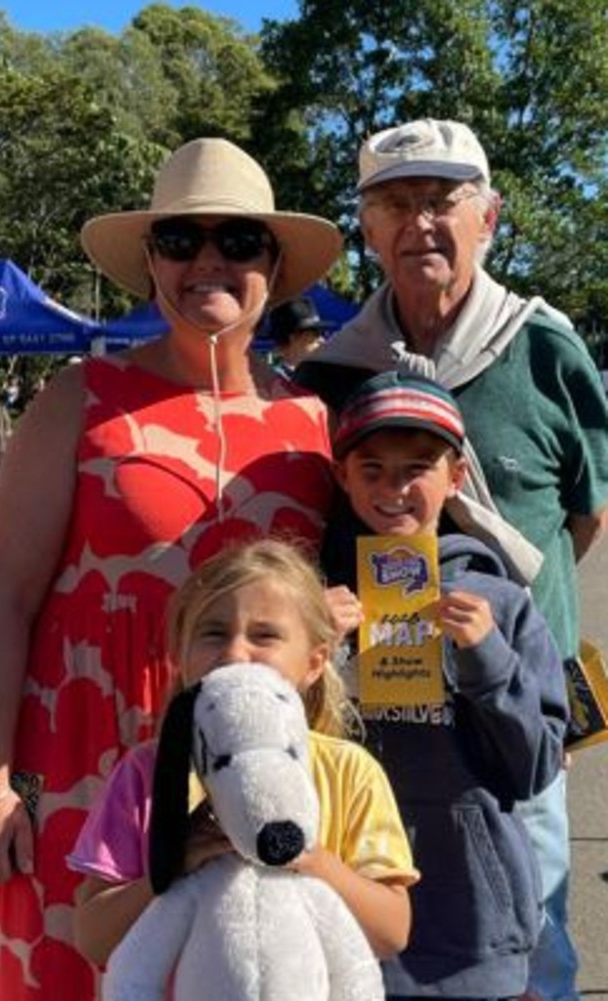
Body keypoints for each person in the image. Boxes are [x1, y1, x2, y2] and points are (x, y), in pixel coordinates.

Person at [0, 137, 344, 1001]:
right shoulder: (80, 399)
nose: (208, 259)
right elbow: (3, 603)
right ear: (151, 264)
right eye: (180, 240)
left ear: (275, 266)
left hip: (245, 775)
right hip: (77, 765)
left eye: (238, 241)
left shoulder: (315, 424)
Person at [296, 118, 608, 1001]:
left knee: (530, 949)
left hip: (512, 719)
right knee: (369, 951)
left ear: (490, 218)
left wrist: (510, 633)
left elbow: (585, 513)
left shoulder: (545, 350)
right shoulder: (330, 375)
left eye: (443, 201)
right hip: (374, 735)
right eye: (395, 203)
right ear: (366, 225)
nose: (419, 222)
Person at [321, 371, 569, 1000]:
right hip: (351, 910)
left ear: (455, 477)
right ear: (342, 476)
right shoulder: (315, 600)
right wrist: (312, 649)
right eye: (372, 468)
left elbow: (535, 766)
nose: (394, 488)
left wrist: (488, 659)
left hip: (472, 923)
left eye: (417, 468)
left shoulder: (503, 603)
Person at [67, 537, 418, 979]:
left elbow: (391, 933)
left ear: (314, 662)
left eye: (264, 635)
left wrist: (311, 858)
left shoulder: (350, 771)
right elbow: (93, 938)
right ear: (181, 655)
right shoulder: (146, 773)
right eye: (213, 632)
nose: (234, 652)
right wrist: (169, 865)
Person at [268, 295, 331, 377]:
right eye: (316, 334)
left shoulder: (315, 379)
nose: (323, 341)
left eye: (323, 334)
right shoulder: (269, 380)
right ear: (293, 338)